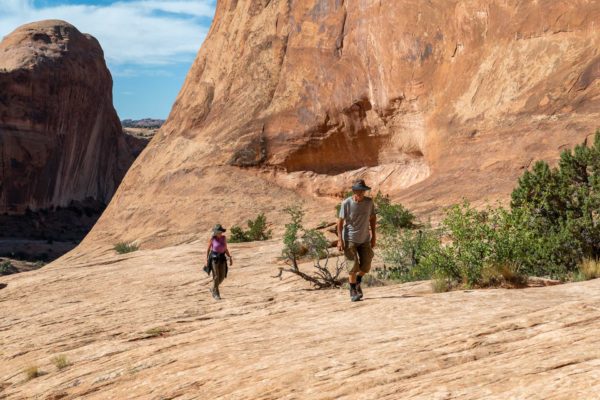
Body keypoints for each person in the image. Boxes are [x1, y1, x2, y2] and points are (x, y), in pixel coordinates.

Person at [337, 179, 376, 302]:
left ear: (365, 191)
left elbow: (373, 217)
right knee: (352, 266)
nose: (360, 193)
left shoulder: (369, 202)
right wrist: (340, 239)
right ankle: (353, 291)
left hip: (364, 238)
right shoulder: (346, 203)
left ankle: (358, 281)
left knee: (366, 265)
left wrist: (374, 235)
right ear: (354, 191)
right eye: (358, 190)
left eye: (362, 191)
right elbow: (340, 222)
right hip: (350, 239)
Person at [206, 224, 233, 300]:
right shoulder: (212, 239)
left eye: (220, 231)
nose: (220, 233)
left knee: (222, 276)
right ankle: (216, 294)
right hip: (214, 259)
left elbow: (225, 249)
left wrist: (230, 257)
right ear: (215, 232)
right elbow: (208, 249)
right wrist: (207, 260)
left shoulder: (224, 238)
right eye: (218, 231)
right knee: (216, 277)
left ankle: (212, 288)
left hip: (222, 258)